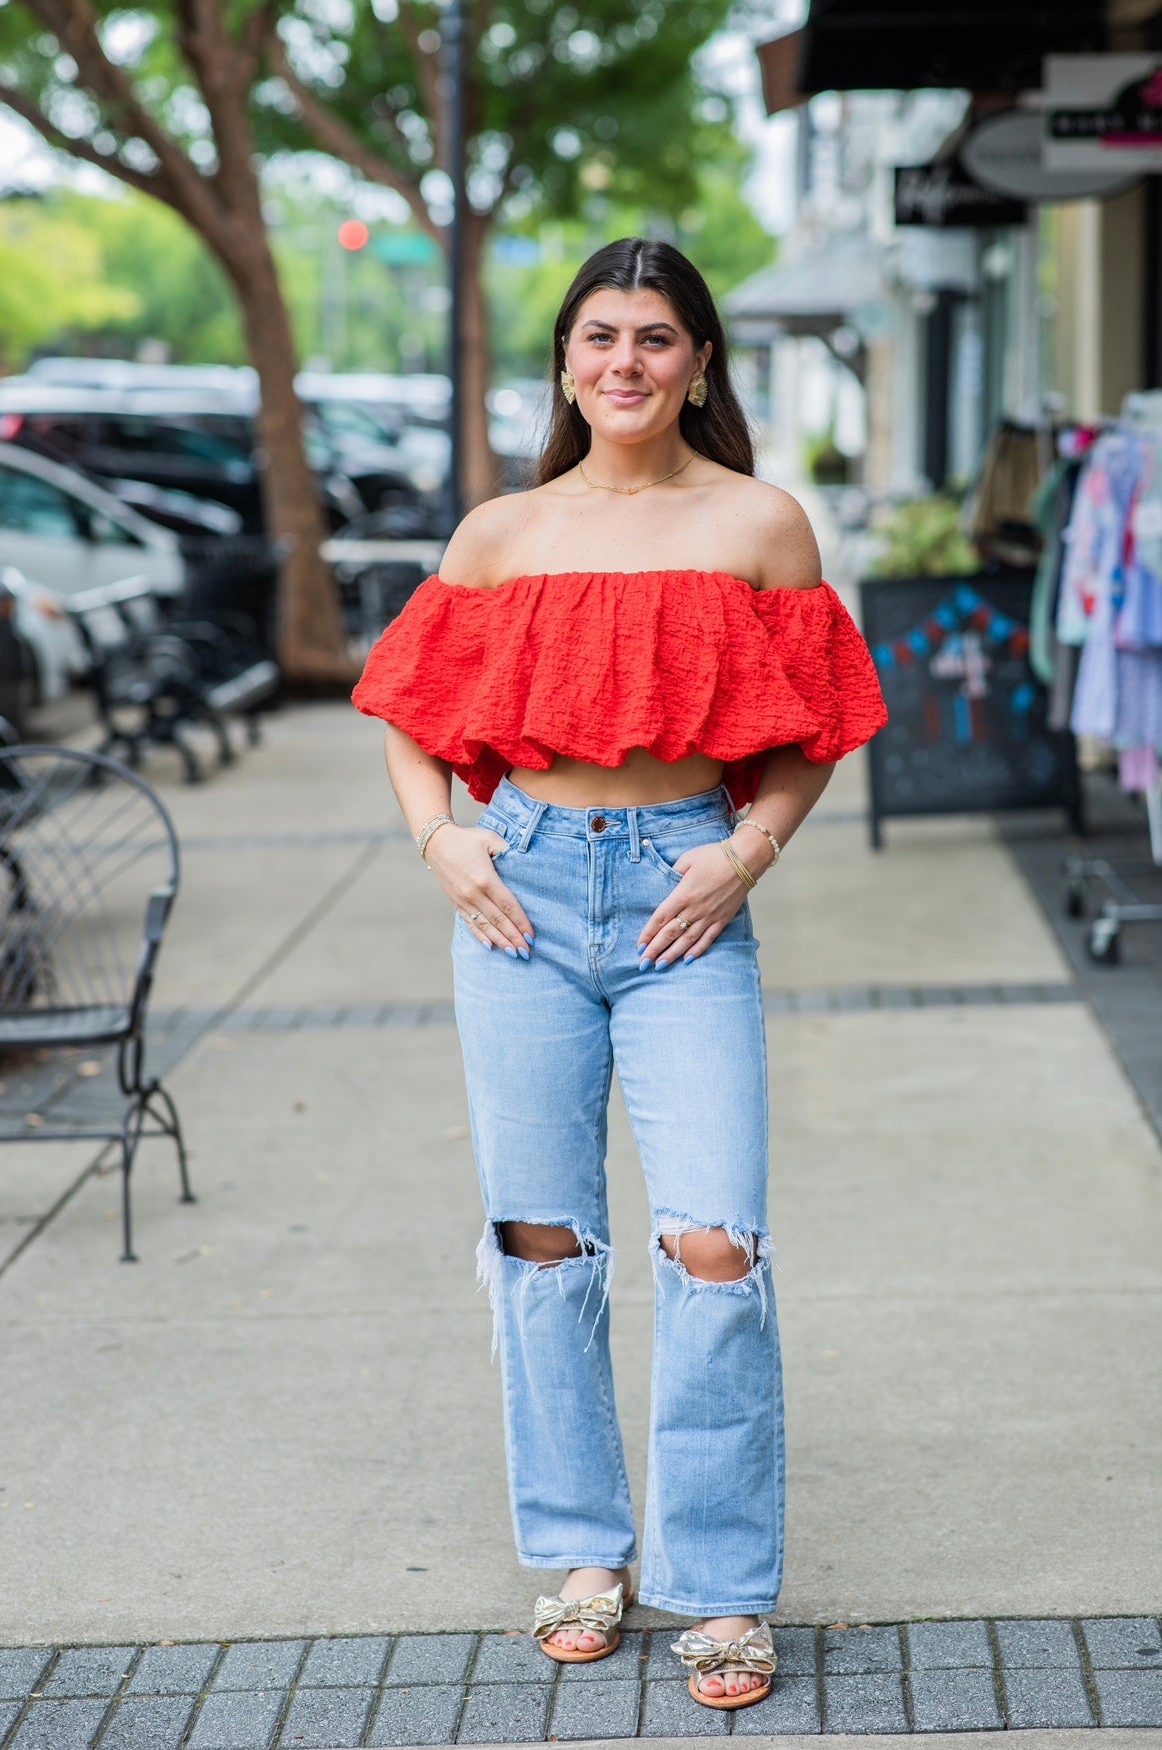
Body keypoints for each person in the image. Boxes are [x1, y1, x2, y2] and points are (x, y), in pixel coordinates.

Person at [353, 237, 887, 1712]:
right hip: (518, 898)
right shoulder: (500, 533)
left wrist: (748, 850)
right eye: (601, 336)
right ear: (568, 363)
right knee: (542, 1238)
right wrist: (441, 842)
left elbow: (817, 725)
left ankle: (721, 1579)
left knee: (715, 1241)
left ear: (700, 362)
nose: (627, 362)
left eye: (656, 337)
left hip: (683, 901)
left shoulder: (761, 525)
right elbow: (409, 710)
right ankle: (586, 1548)